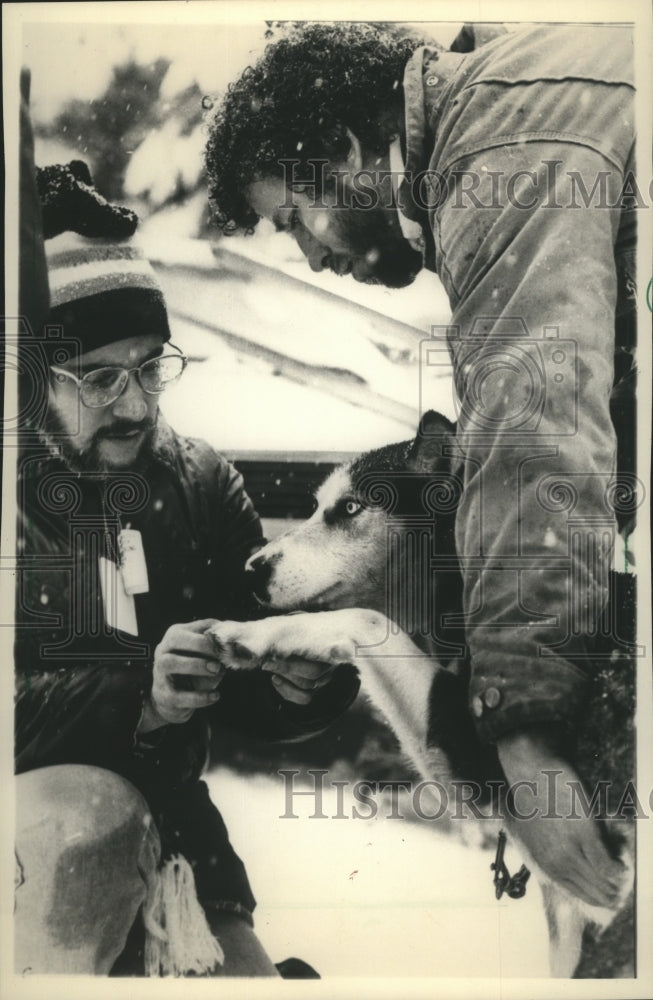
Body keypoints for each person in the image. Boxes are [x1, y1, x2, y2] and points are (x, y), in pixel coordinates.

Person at [204, 22, 638, 915]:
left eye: (296, 219)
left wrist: (522, 734)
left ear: (350, 149)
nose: (311, 256)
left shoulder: (502, 147)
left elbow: (535, 430)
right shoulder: (522, 106)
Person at [14, 160, 359, 976]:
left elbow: (248, 674)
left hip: (175, 844)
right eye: (99, 377)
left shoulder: (197, 481)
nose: (135, 405)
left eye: (149, 365)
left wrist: (297, 684)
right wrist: (144, 693)